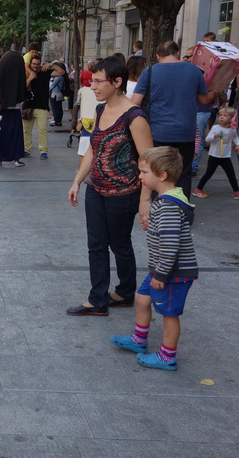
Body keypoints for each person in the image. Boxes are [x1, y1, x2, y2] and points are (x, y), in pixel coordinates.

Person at [67, 56, 153, 316]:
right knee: (96, 244)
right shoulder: (100, 110)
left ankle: (126, 292)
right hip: (96, 189)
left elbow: (148, 162)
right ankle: (98, 300)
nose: (92, 86)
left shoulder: (135, 117)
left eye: (97, 81)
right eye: (91, 81)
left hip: (124, 193)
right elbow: (94, 148)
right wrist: (77, 181)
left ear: (117, 82)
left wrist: (144, 199)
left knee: (120, 244)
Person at [110, 146, 198, 371]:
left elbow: (171, 245)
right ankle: (139, 339)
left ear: (162, 175)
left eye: (144, 172)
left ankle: (167, 357)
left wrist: (161, 273)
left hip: (171, 272)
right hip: (161, 269)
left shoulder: (168, 206)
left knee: (169, 314)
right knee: (141, 298)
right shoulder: (168, 201)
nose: (139, 176)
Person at [132, 41, 216, 196]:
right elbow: (204, 100)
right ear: (177, 53)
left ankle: (159, 207)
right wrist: (214, 92)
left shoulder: (149, 72)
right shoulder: (194, 71)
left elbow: (135, 103)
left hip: (158, 132)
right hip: (186, 132)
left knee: (157, 170)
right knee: (183, 173)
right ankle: (180, 209)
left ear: (158, 56)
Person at [192, 108, 239, 200]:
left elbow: (235, 137)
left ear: (232, 118)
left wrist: (238, 145)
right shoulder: (215, 128)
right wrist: (214, 136)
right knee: (208, 174)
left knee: (231, 174)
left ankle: (237, 192)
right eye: (220, 115)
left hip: (225, 156)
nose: (222, 117)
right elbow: (207, 139)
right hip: (215, 156)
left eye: (225, 115)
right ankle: (198, 189)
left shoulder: (232, 129)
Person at [0, 51, 27, 167]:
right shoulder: (18, 67)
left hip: (1, 108)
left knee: (0, 133)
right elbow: (22, 88)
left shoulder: (2, 70)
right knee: (15, 135)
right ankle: (16, 158)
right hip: (14, 109)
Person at [23, 56, 53, 159]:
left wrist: (51, 64)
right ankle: (26, 150)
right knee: (27, 130)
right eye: (33, 63)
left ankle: (43, 151)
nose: (35, 66)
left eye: (37, 63)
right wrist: (30, 78)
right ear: (30, 64)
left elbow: (61, 72)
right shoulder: (25, 74)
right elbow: (22, 89)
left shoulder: (44, 72)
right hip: (28, 107)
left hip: (41, 106)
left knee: (42, 130)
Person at [49, 62, 66, 127]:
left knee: (55, 107)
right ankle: (58, 121)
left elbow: (52, 85)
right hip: (59, 93)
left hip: (55, 93)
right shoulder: (62, 76)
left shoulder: (59, 77)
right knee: (59, 107)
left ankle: (56, 121)